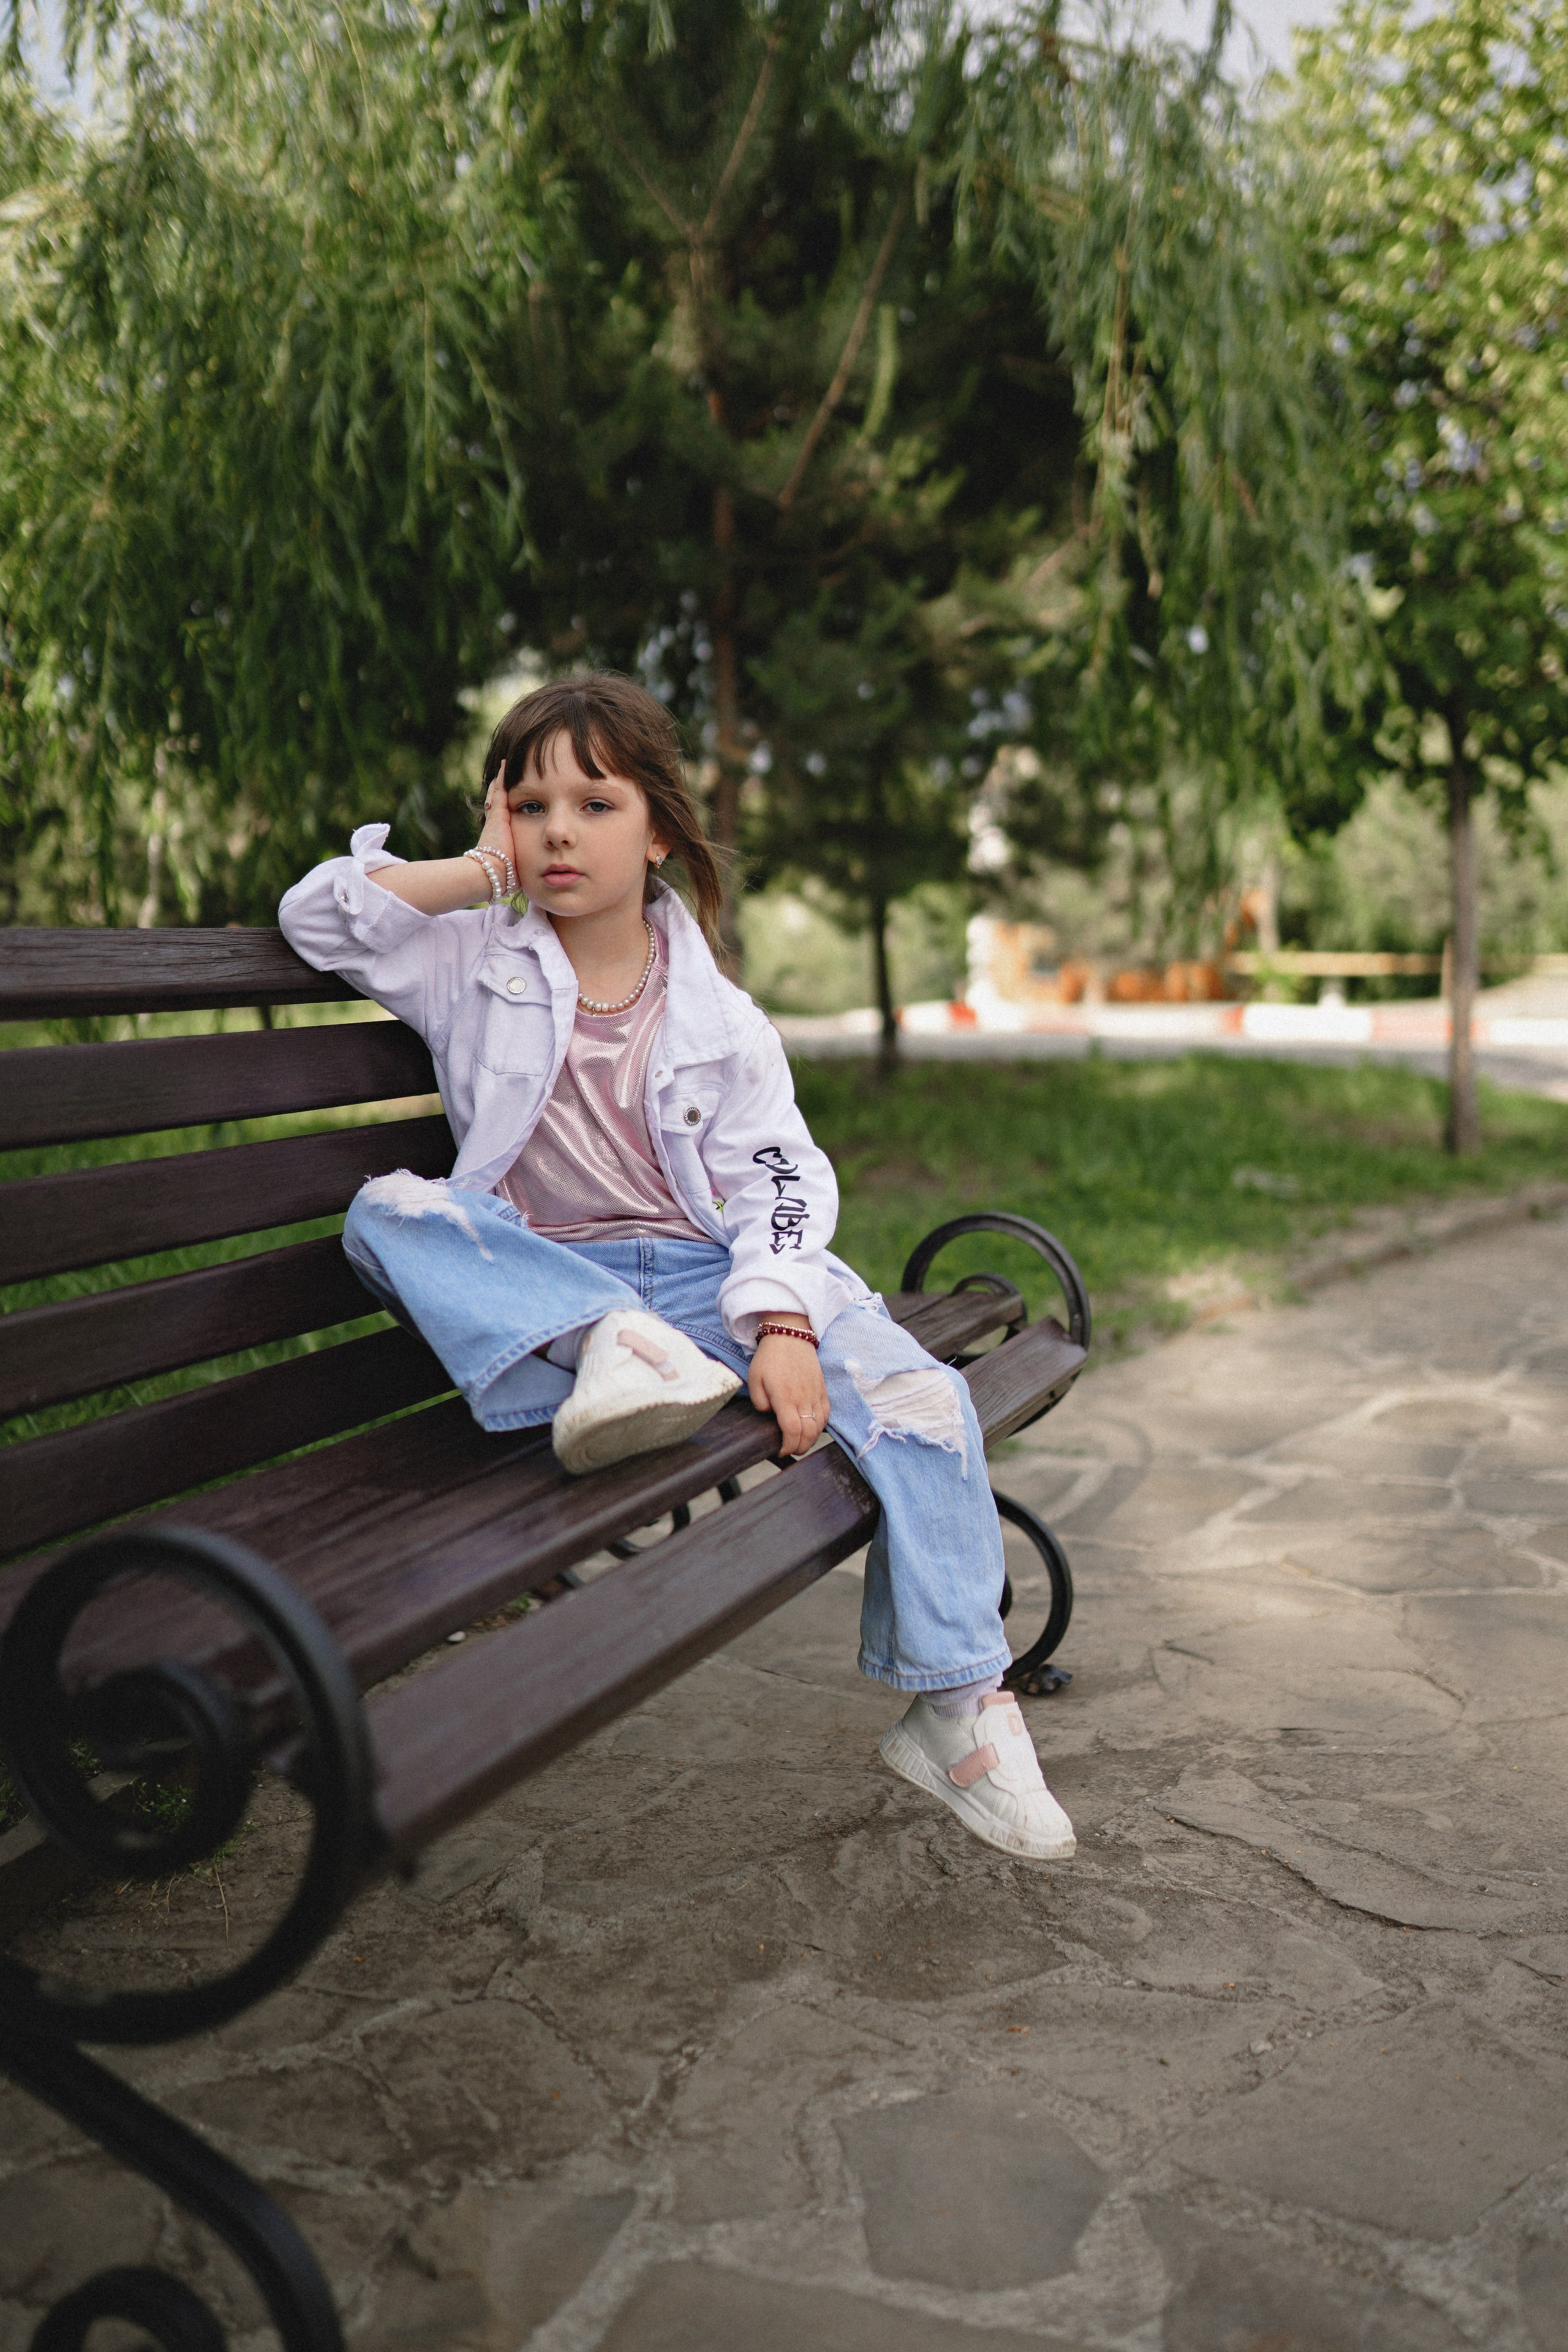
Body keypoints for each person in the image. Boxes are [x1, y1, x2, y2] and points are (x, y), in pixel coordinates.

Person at [279, 673, 1074, 1863]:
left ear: (656, 828)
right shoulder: (469, 960)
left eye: (594, 803)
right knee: (382, 1216)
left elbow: (783, 1181)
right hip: (551, 1289)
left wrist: (787, 1328)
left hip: (707, 1280)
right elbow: (319, 918)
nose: (557, 830)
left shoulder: (717, 1014)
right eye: (530, 804)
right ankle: (613, 1348)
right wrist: (475, 872)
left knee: (922, 1396)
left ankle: (959, 1710)